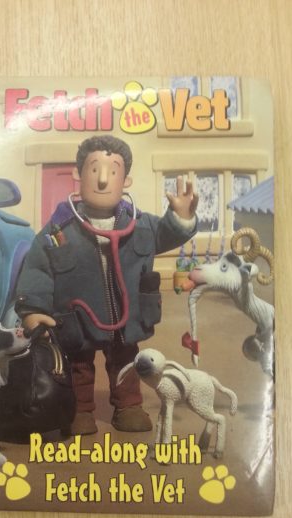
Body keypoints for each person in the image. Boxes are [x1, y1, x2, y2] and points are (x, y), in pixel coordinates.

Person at [15, 135, 198, 435]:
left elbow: (167, 233)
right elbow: (38, 267)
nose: (102, 179)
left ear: (126, 181)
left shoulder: (140, 225)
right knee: (78, 365)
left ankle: (129, 406)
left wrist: (181, 217)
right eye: (93, 169)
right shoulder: (58, 232)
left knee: (126, 362)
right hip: (77, 320)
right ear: (78, 174)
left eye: (113, 171)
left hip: (126, 320)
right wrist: (33, 308)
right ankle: (80, 410)